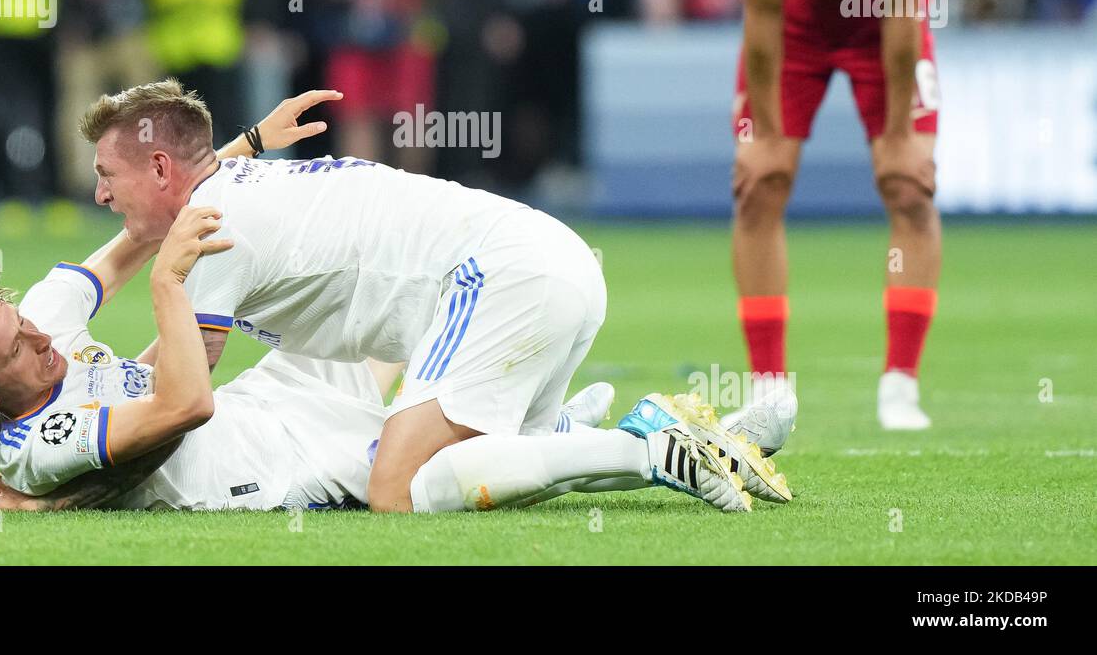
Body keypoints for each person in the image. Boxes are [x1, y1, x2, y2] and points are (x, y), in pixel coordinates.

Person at [78, 80, 791, 512]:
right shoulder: (234, 190)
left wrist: (78, 464)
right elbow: (175, 369)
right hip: (546, 261)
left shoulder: (212, 227)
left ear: (162, 165)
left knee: (396, 486)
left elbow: (181, 395)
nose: (101, 191)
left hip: (501, 277)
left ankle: (655, 452)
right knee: (510, 458)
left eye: (108, 171)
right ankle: (700, 437)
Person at [724, 0, 941, 429]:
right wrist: (763, 131)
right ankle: (768, 386)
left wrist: (901, 130)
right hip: (793, 29)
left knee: (907, 185)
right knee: (760, 184)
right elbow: (761, 18)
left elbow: (903, 15)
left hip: (880, 24)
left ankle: (900, 383)